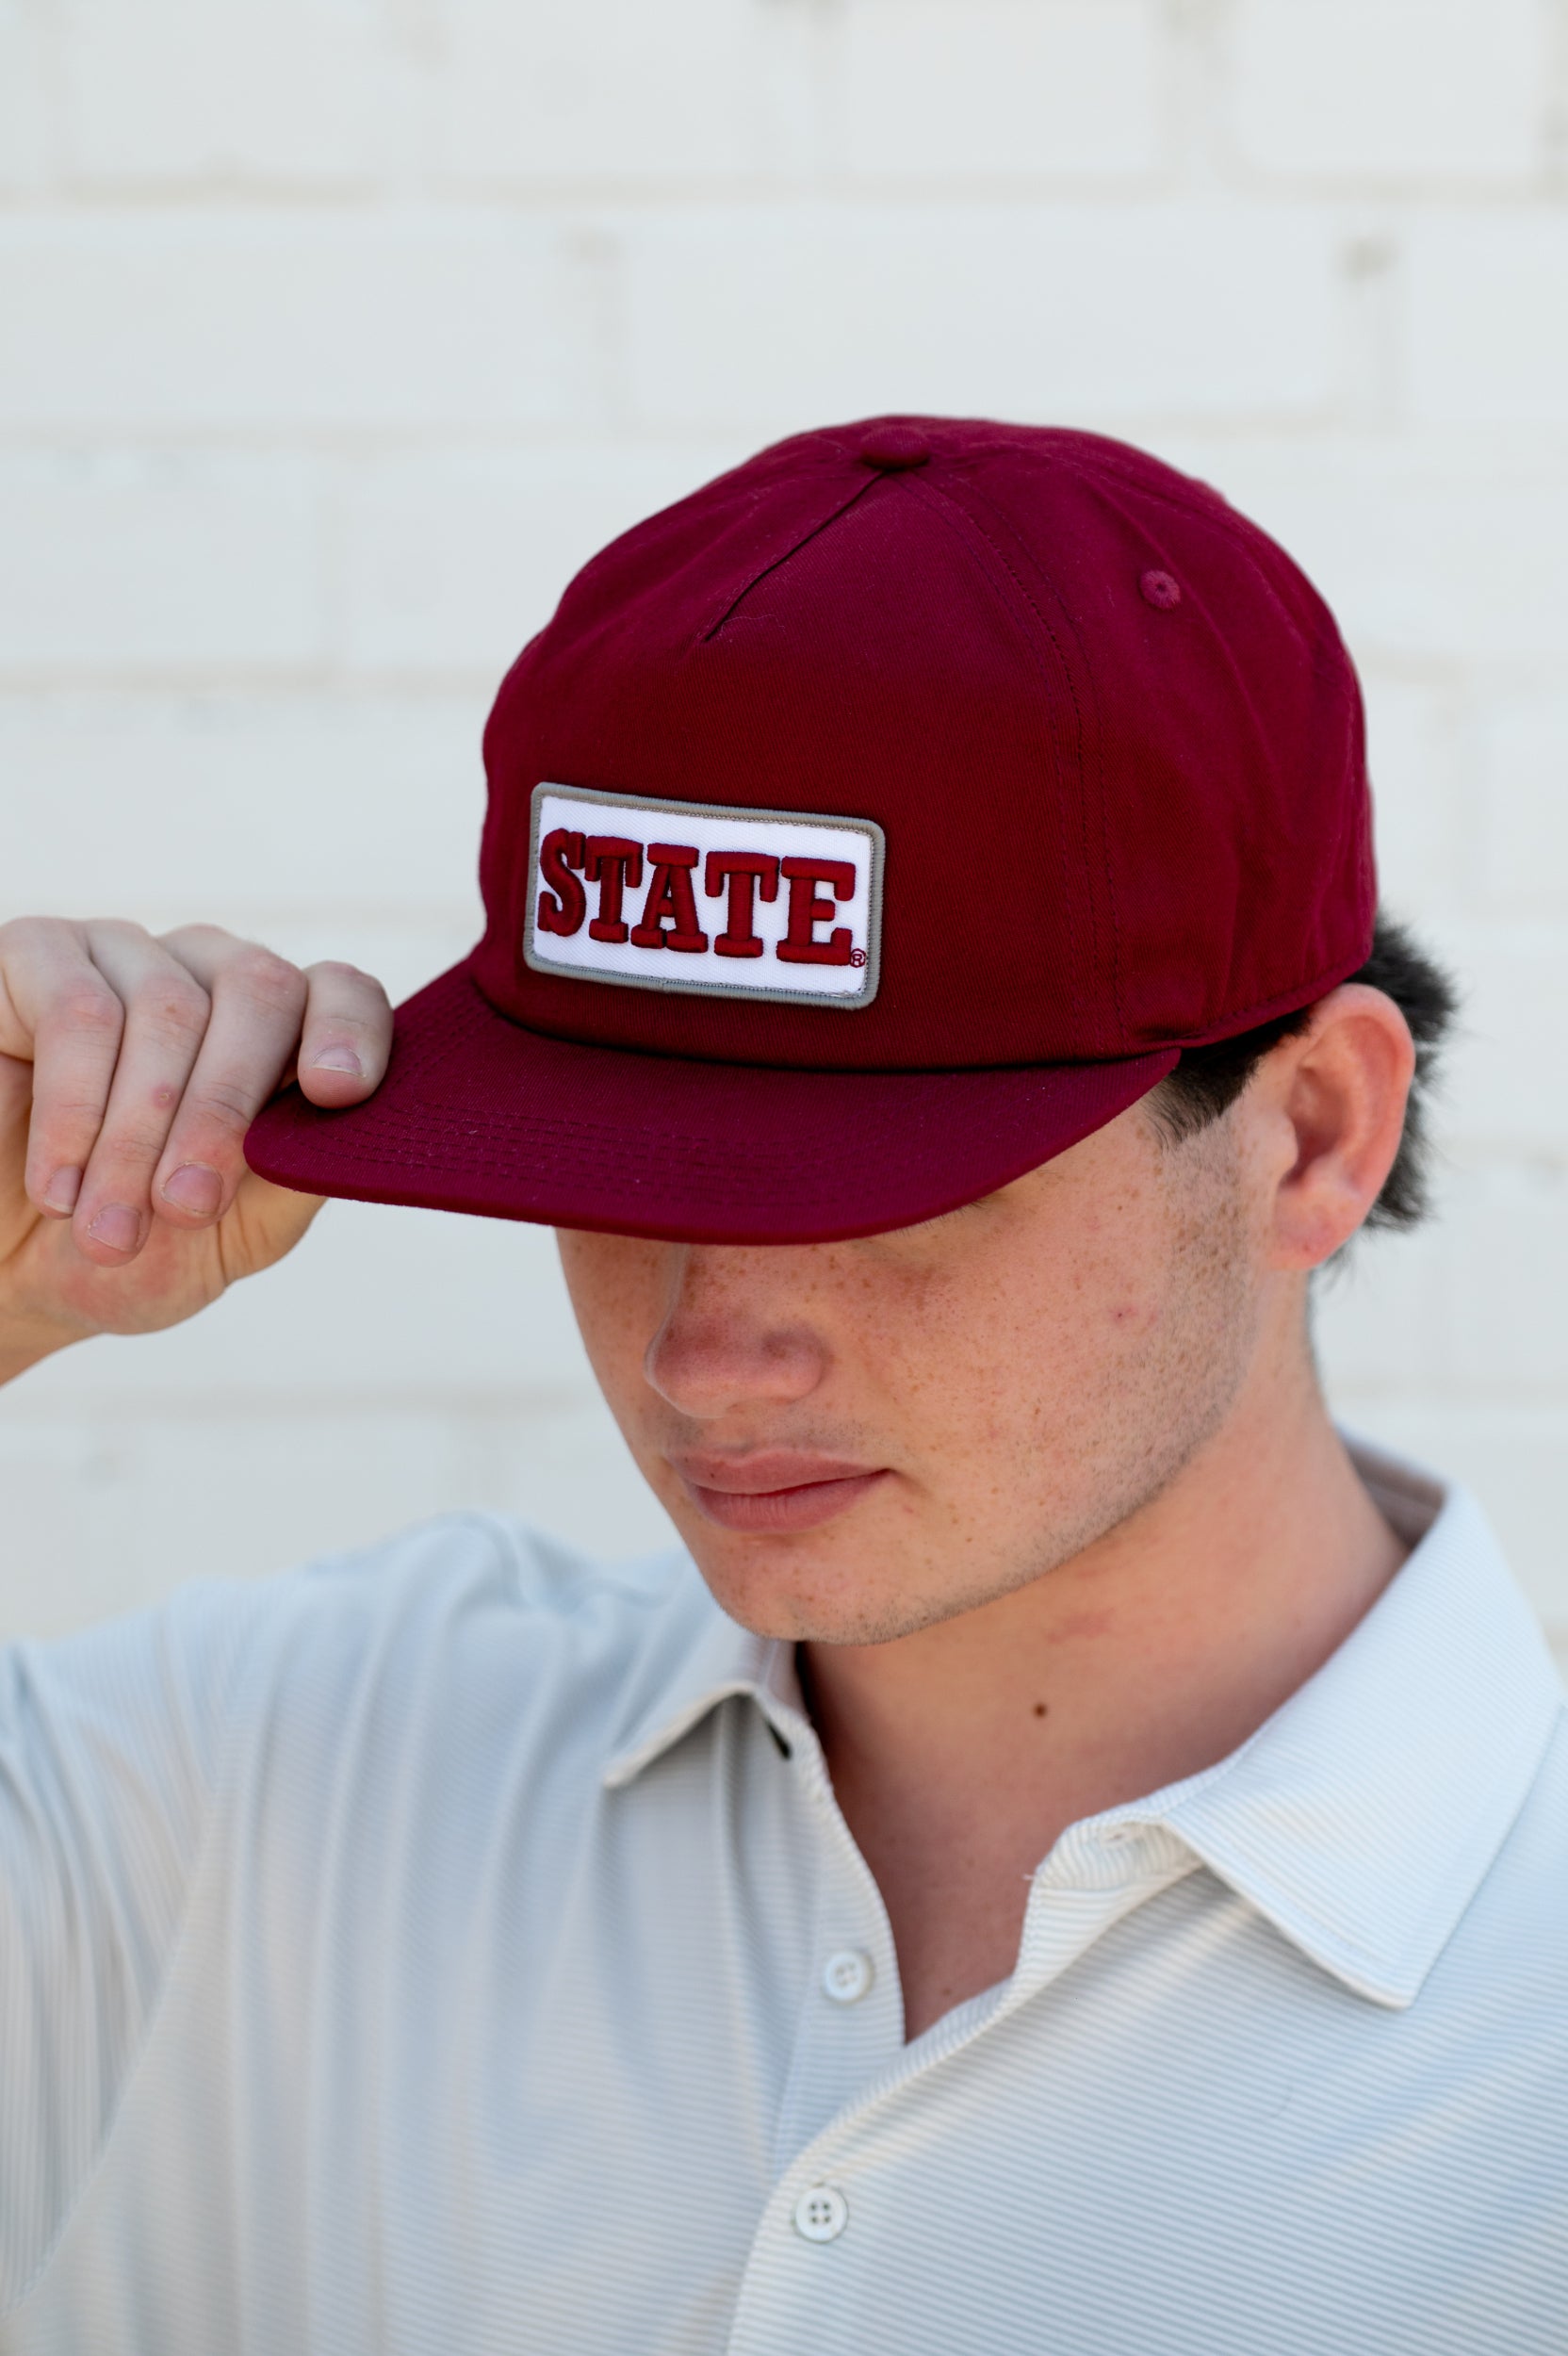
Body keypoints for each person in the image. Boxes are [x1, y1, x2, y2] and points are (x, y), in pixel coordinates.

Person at [0, 417, 1561, 2355]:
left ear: (1310, 1134)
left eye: (889, 1194)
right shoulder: (294, 1778)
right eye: (606, 1176)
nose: (701, 1348)